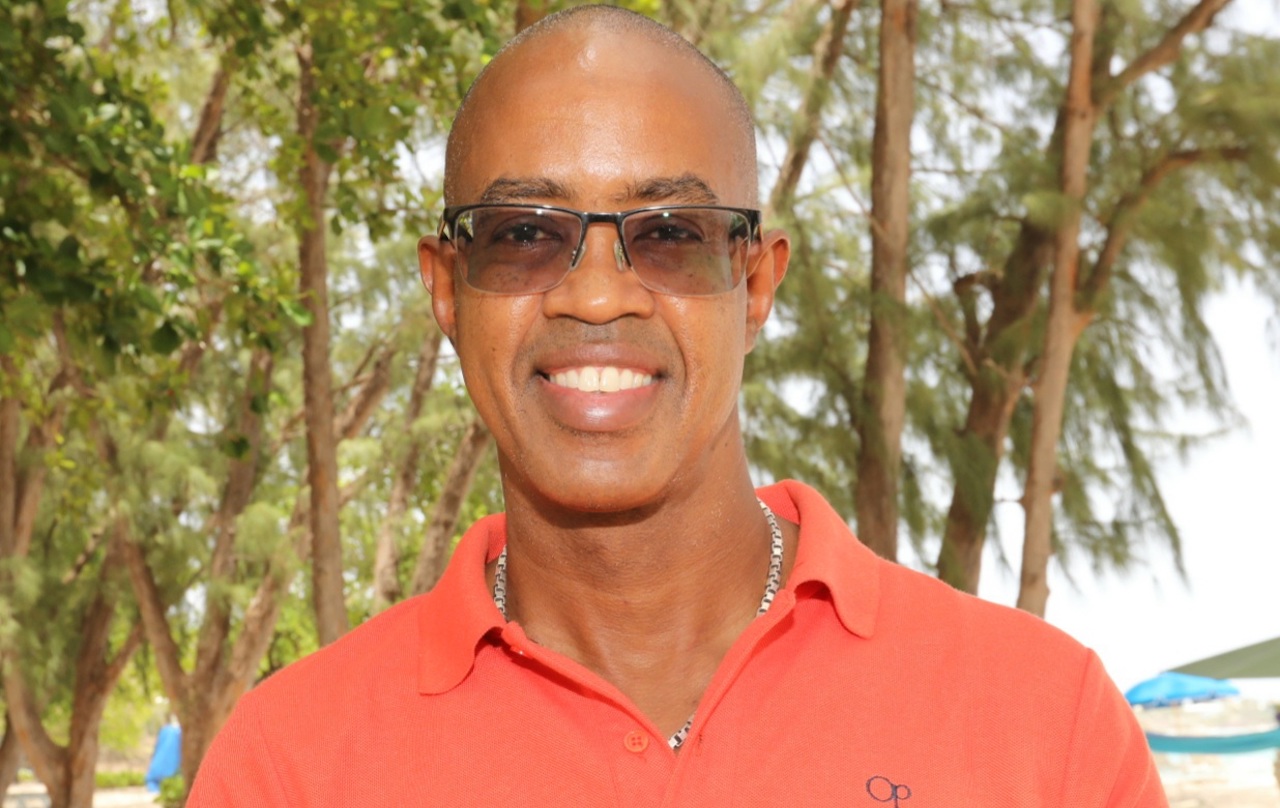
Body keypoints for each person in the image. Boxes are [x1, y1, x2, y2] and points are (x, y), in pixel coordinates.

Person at [188, 6, 1167, 805]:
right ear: (448, 290)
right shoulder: (289, 766)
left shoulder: (1047, 727)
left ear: (756, 284)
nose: (595, 295)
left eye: (669, 234)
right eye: (524, 233)